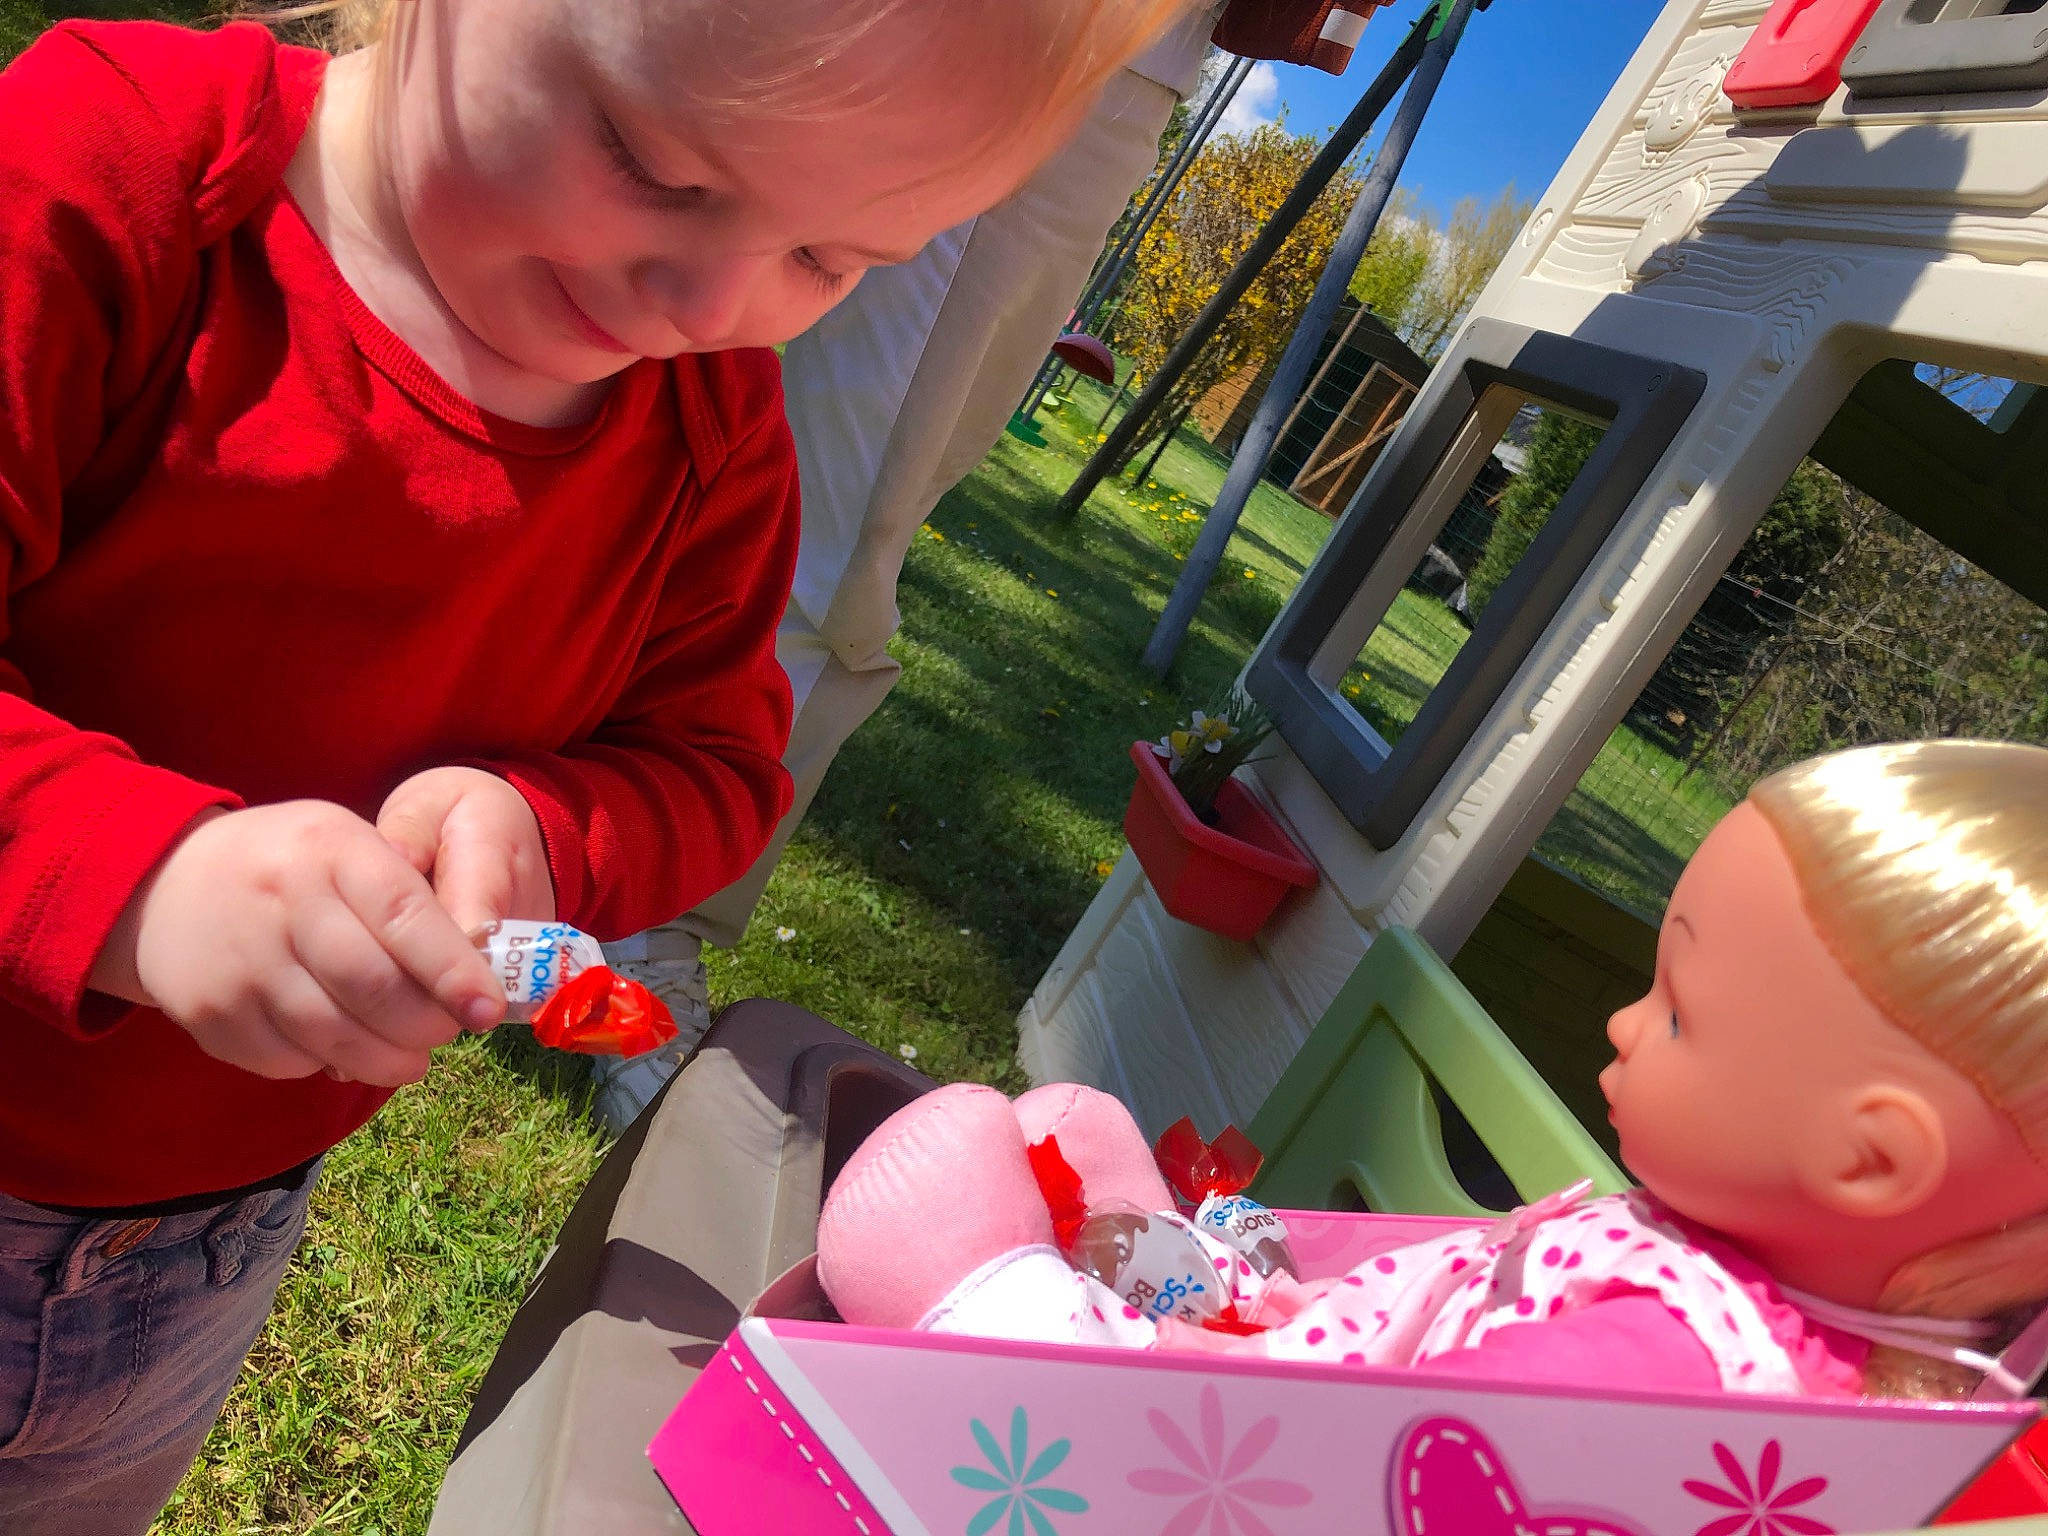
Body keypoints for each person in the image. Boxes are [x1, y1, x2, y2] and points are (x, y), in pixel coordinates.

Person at [0, 0, 1185, 1528]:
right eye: (651, 161)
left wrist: (548, 824)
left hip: (197, 1243)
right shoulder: (117, 169)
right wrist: (134, 873)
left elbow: (716, 759)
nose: (704, 296)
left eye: (837, 259)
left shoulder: (708, 431)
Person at [817, 739, 2048, 1400]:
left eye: (1678, 1015)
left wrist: (1207, 1363)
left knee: (939, 1181)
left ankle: (998, 1318)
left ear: (1867, 1154)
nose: (1620, 1025)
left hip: (1212, 1448)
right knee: (1074, 1130)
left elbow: (1339, 1478)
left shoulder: (1660, 1377)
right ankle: (1119, 1242)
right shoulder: (1718, 1281)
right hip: (1306, 1338)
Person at [588, 8, 1215, 1130]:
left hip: (1128, 64)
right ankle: (639, 925)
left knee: (842, 478)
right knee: (841, 526)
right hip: (1048, 33)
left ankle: (594, 831)